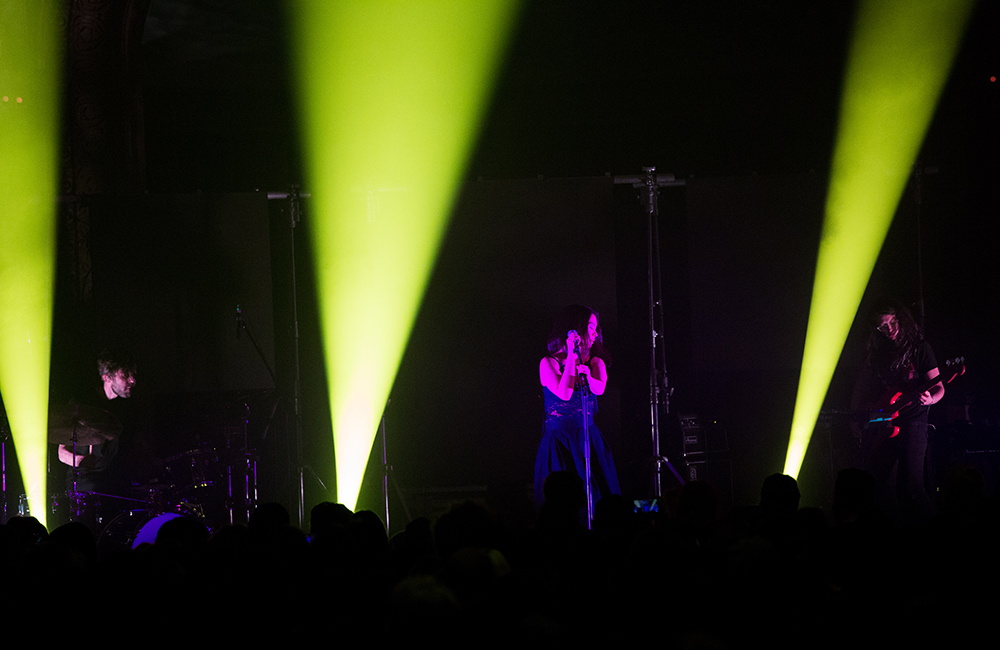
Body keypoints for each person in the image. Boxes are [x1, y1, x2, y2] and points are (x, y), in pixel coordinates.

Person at [851, 300, 944, 526]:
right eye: (883, 326)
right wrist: (855, 417)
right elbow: (861, 387)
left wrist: (930, 398)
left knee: (913, 487)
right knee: (878, 485)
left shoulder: (920, 348)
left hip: (913, 422)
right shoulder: (877, 353)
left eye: (893, 322)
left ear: (900, 320)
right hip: (884, 423)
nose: (890, 329)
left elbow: (940, 387)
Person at [534, 305, 620, 509]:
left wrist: (587, 374)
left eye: (595, 328)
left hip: (587, 438)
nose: (594, 333)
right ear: (575, 328)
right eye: (590, 327)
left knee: (597, 497)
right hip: (560, 442)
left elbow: (599, 389)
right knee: (562, 502)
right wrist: (572, 356)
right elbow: (564, 393)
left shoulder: (595, 362)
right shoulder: (549, 363)